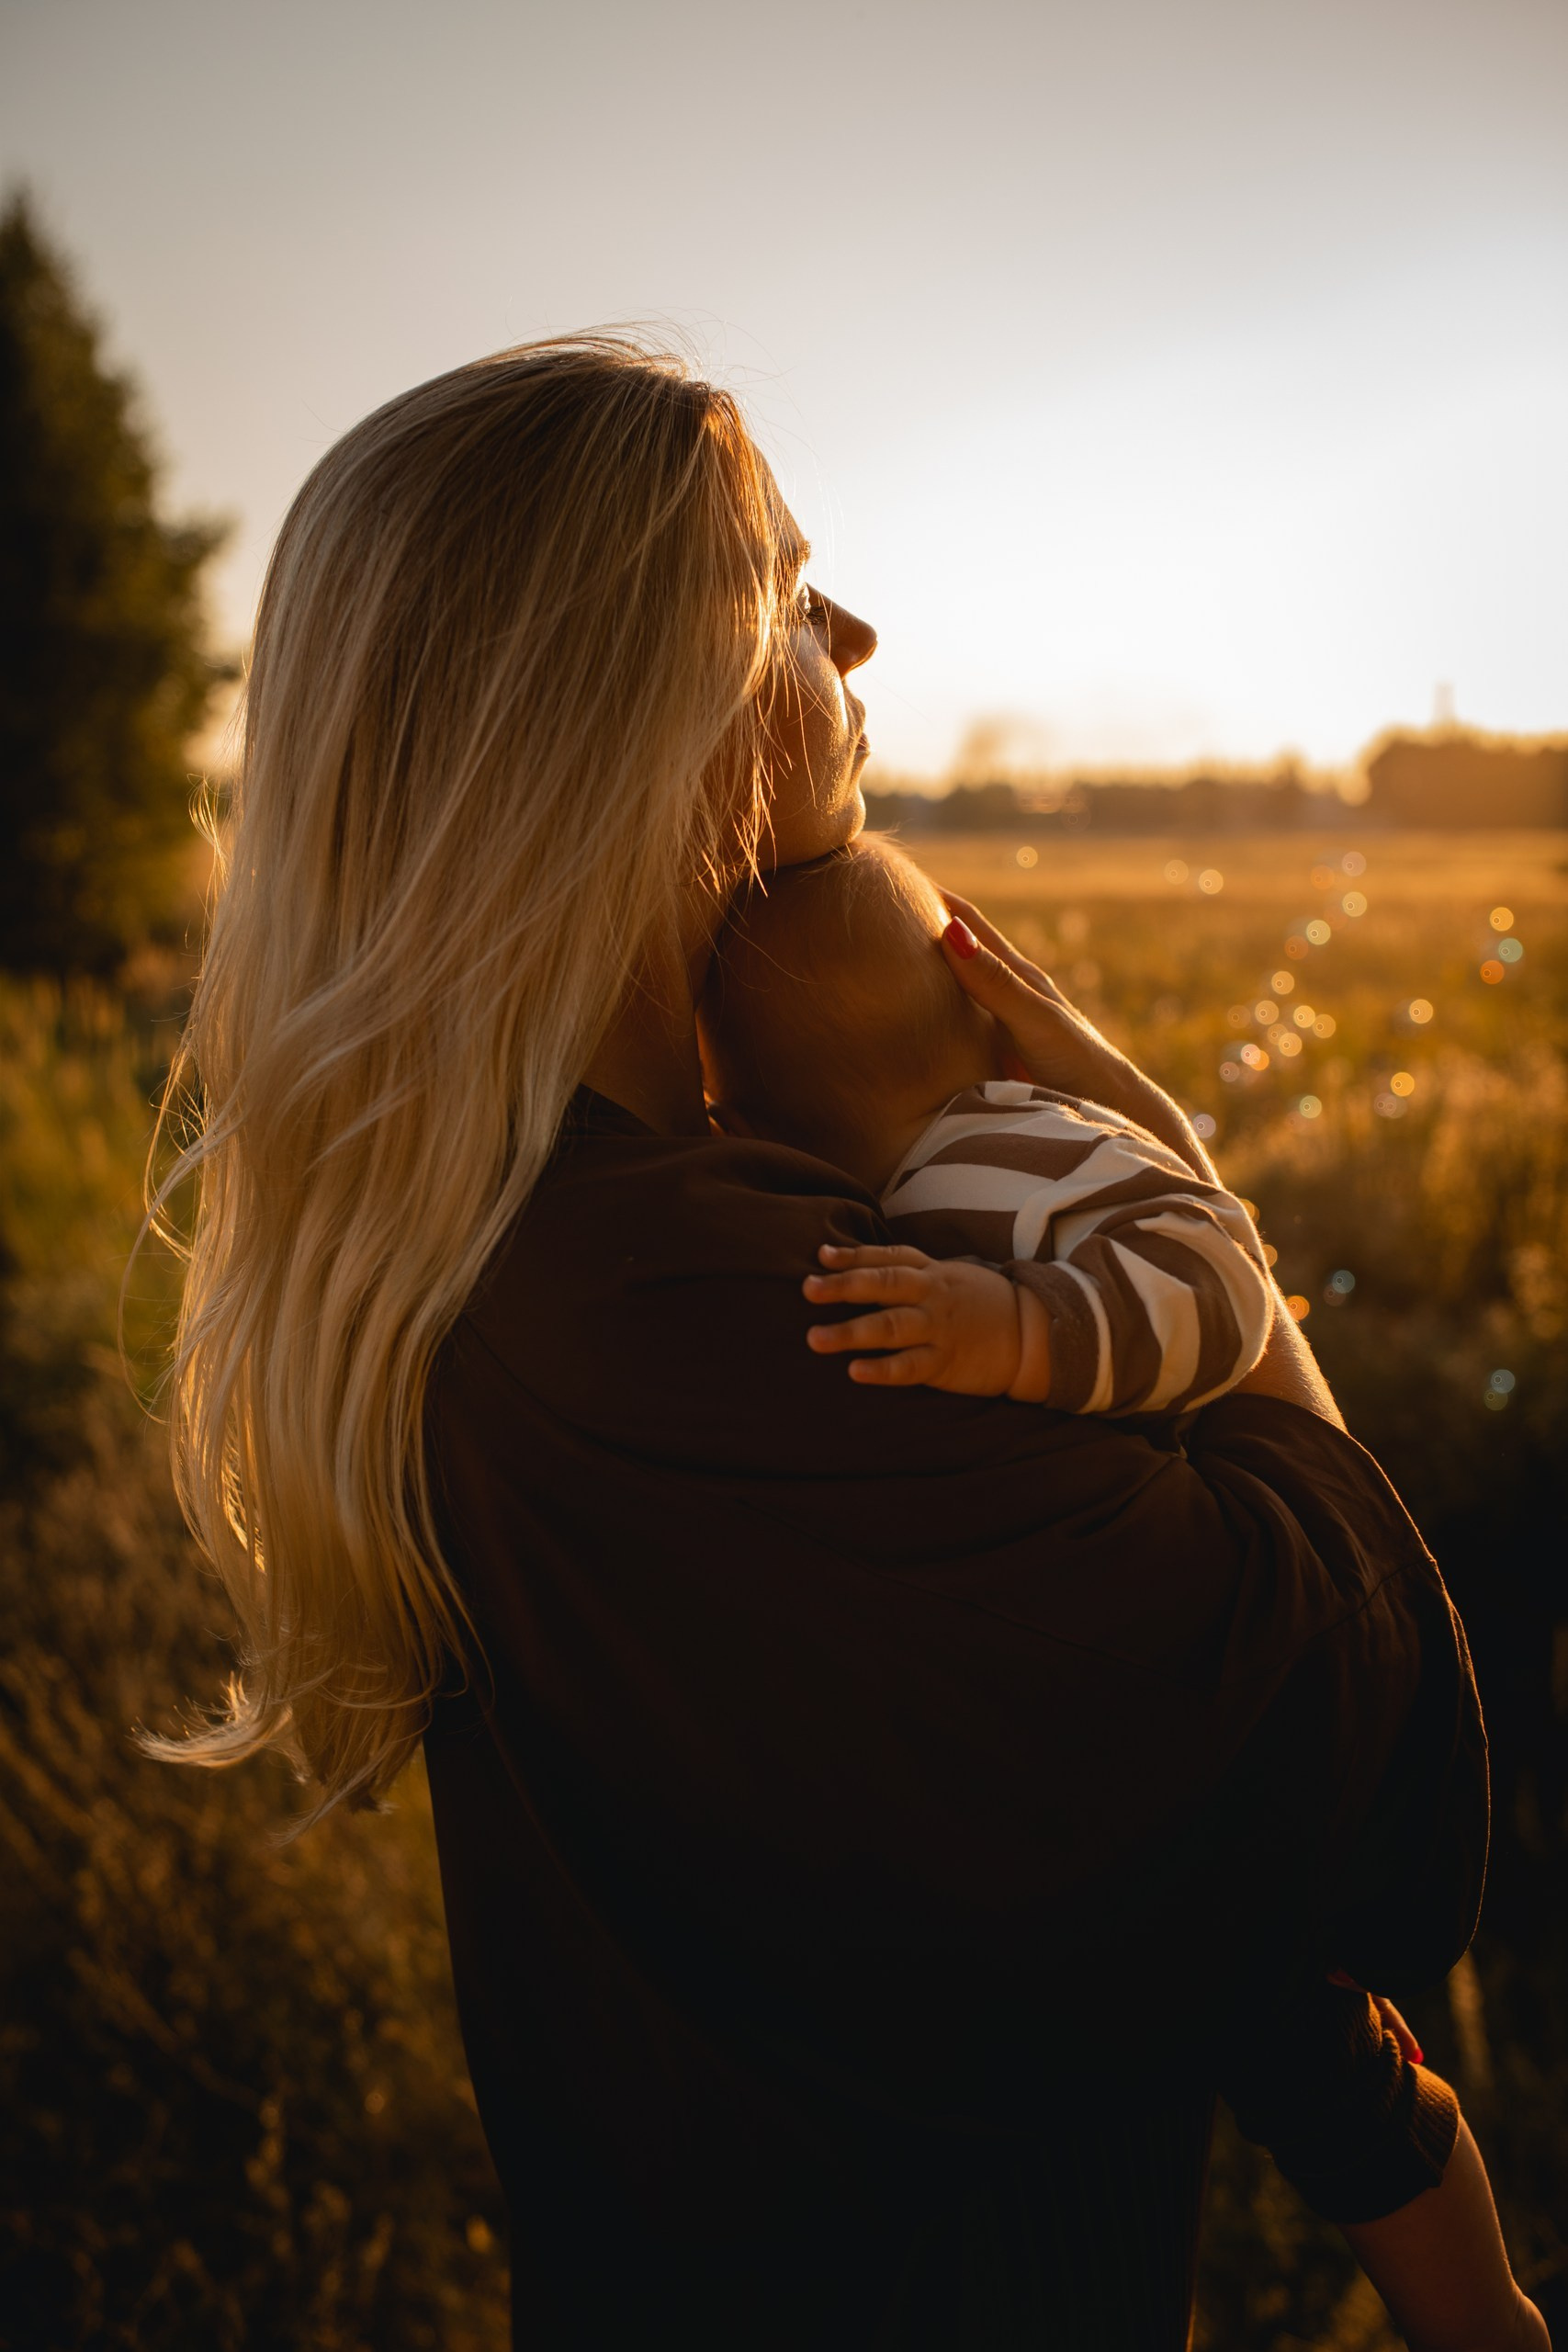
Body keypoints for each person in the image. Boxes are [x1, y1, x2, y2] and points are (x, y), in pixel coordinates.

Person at [145, 336, 1549, 2351]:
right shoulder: (684, 1305)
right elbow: (1324, 1711)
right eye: (785, 592)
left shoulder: (589, 1221)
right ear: (623, 709)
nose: (858, 628)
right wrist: (1159, 1177)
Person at [699, 831, 1273, 1414]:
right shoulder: (934, 1183)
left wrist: (1018, 1329)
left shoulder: (1003, 1153)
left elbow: (1222, 1272)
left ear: (738, 1131)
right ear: (1002, 1039)